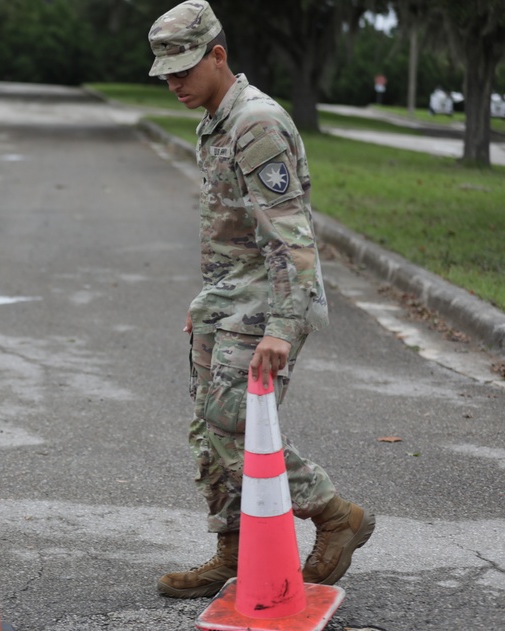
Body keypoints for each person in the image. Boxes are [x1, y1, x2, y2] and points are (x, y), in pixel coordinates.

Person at [147, 0, 375, 599]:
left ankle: (333, 514)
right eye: (166, 74)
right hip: (227, 297)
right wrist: (207, 304)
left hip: (268, 300)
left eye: (185, 69)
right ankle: (234, 549)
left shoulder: (256, 122)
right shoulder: (216, 119)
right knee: (208, 428)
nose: (175, 83)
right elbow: (232, 229)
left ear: (218, 56)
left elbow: (288, 232)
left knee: (237, 421)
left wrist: (282, 326)